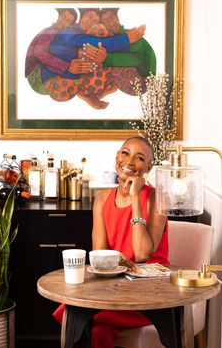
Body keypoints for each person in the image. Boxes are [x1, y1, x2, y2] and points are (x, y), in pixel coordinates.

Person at [53, 135, 169, 348]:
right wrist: (115, 261)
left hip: (152, 293)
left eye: (140, 158)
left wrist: (135, 198)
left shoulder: (158, 198)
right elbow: (99, 254)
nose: (130, 161)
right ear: (117, 157)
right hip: (114, 287)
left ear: (149, 167)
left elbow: (143, 253)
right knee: (95, 329)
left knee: (77, 316)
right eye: (125, 152)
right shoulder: (102, 199)